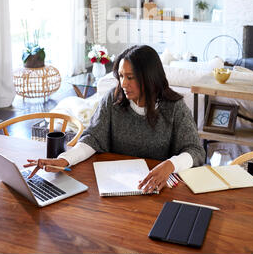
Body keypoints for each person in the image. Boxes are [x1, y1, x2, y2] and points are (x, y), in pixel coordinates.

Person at [24, 45, 205, 193]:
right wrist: (64, 159)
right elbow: (93, 138)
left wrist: (170, 165)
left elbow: (196, 151)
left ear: (150, 79)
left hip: (157, 190)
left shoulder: (174, 107)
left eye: (130, 77)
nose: (123, 84)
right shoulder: (113, 99)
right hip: (114, 187)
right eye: (120, 76)